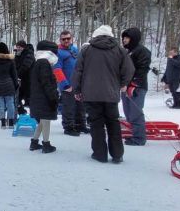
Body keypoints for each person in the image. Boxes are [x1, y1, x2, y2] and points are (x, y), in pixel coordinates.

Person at [72, 25, 134, 164]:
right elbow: (129, 69)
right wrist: (123, 84)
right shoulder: (120, 50)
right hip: (111, 94)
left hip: (91, 94)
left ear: (95, 35)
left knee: (96, 124)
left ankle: (100, 154)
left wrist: (77, 89)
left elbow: (78, 71)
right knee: (113, 123)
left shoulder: (86, 50)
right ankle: (117, 154)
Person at [120, 27, 152, 146]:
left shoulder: (142, 51)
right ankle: (135, 133)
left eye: (127, 38)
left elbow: (143, 69)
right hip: (126, 86)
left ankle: (139, 137)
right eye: (123, 37)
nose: (124, 40)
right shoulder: (127, 51)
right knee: (128, 112)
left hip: (136, 87)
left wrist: (134, 82)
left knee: (135, 112)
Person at [29, 41, 62, 153]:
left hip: (38, 98)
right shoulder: (44, 63)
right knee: (46, 121)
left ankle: (34, 142)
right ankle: (46, 144)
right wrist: (53, 98)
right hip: (44, 98)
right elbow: (47, 83)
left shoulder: (39, 62)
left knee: (42, 122)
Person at [57, 31, 87, 136]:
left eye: (68, 38)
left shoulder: (74, 49)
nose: (66, 41)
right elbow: (57, 69)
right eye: (63, 39)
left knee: (80, 105)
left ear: (71, 39)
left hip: (78, 83)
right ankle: (68, 127)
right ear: (60, 40)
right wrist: (64, 84)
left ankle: (81, 125)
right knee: (69, 106)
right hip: (67, 85)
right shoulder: (59, 52)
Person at [0, 42, 18, 128]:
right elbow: (14, 75)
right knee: (10, 103)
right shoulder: (10, 61)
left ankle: (2, 122)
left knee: (0, 104)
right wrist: (15, 85)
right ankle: (11, 122)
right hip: (9, 84)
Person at [14, 41, 35, 114]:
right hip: (21, 80)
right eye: (17, 47)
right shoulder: (18, 54)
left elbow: (26, 66)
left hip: (29, 80)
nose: (18, 49)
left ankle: (33, 115)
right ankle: (21, 112)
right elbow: (15, 64)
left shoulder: (29, 54)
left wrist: (17, 74)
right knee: (18, 97)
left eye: (19, 47)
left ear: (24, 47)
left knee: (30, 98)